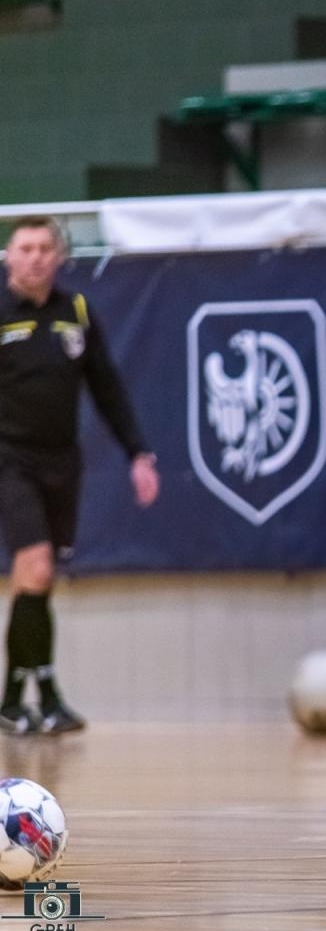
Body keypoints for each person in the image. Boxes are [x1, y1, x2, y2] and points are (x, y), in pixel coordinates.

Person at [0, 216, 160, 735]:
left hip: (62, 464)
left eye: (46, 248)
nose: (36, 257)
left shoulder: (77, 311)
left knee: (36, 585)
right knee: (36, 568)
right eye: (25, 248)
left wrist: (138, 452)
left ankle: (27, 700)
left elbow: (107, 388)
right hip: (10, 461)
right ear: (8, 256)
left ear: (61, 257)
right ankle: (31, 696)